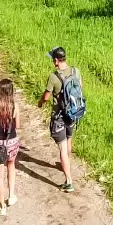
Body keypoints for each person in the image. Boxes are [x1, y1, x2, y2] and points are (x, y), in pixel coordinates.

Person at [38, 47, 82, 193]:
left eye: (53, 59)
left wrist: (40, 103)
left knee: (62, 148)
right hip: (73, 113)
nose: (52, 61)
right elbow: (80, 89)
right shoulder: (76, 71)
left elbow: (46, 97)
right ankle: (66, 163)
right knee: (69, 139)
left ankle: (69, 182)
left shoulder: (54, 77)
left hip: (59, 117)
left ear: (56, 60)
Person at [0, 79, 20, 216]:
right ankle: (11, 196)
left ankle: (2, 207)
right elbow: (18, 125)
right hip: (12, 142)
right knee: (11, 166)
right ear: (11, 91)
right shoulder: (15, 106)